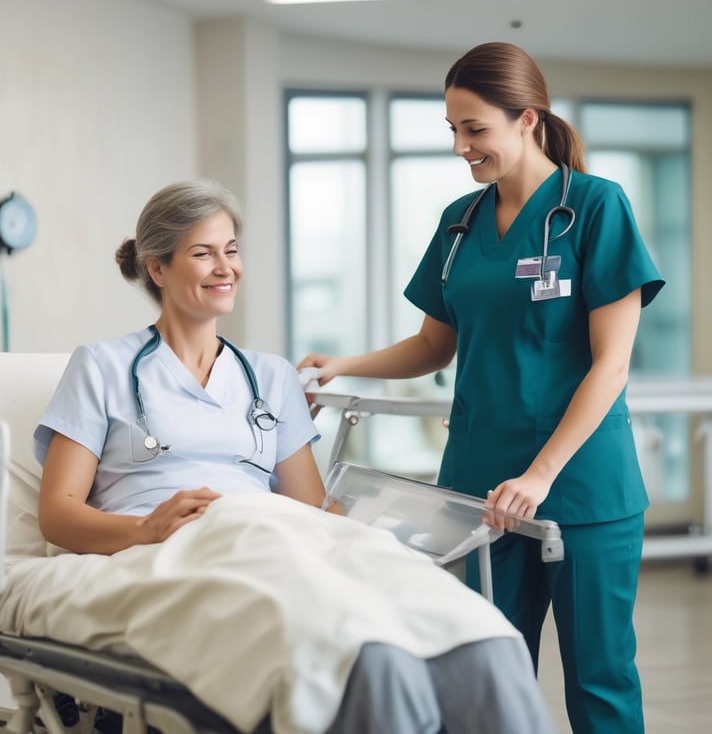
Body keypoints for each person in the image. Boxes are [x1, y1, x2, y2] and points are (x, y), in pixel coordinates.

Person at [33, 178, 556, 734]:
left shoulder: (271, 376)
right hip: (176, 543)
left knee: (475, 637)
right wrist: (144, 528)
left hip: (263, 527)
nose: (225, 267)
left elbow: (309, 507)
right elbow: (57, 514)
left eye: (231, 250)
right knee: (366, 651)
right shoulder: (102, 366)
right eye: (203, 253)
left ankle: (462, 641)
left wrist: (367, 541)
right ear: (157, 269)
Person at [298, 42, 665, 734]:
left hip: (582, 486)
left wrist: (541, 472)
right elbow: (433, 345)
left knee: (601, 680)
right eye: (454, 130)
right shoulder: (460, 223)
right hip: (476, 489)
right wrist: (345, 364)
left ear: (527, 119)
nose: (462, 147)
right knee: (483, 674)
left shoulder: (594, 208)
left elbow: (610, 365)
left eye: (476, 129)